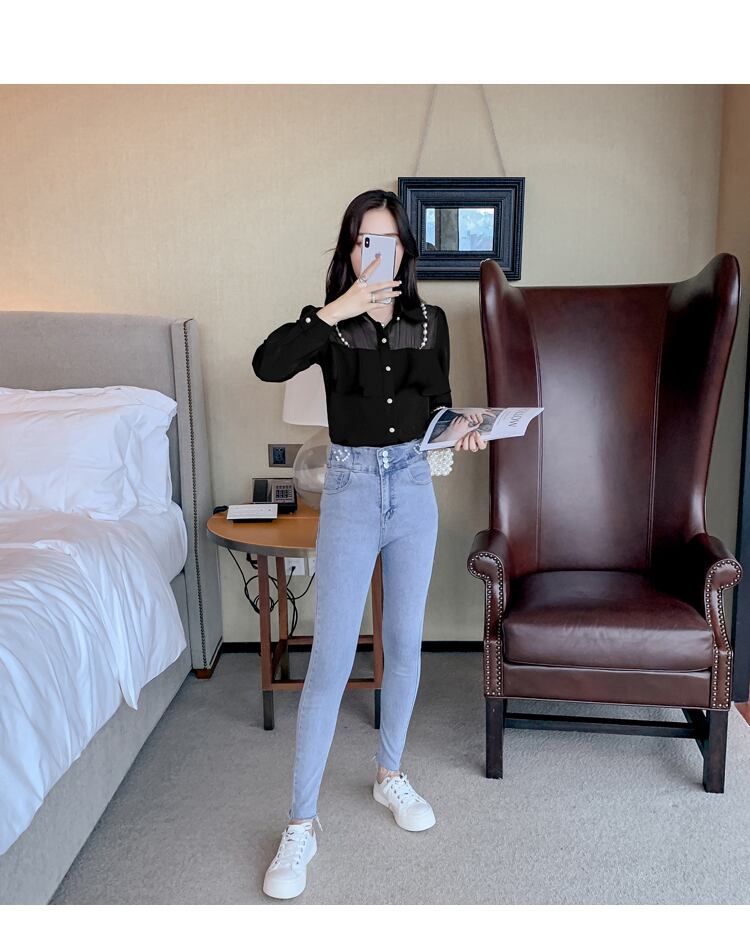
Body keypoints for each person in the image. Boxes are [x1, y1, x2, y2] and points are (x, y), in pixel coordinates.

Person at [251, 189, 487, 899]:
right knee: (330, 658)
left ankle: (390, 774)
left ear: (404, 249)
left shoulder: (429, 322)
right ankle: (301, 823)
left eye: (385, 240)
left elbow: (436, 408)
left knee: (405, 644)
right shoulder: (331, 325)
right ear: (350, 251)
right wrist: (335, 308)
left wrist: (463, 428)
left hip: (412, 487)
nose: (373, 252)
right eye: (362, 241)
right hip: (351, 489)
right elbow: (267, 363)